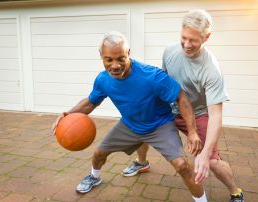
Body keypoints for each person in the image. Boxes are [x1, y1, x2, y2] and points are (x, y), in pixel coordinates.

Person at [52, 31, 208, 201]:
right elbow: (90, 102)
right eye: (108, 60)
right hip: (130, 125)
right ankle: (94, 176)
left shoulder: (151, 76)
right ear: (101, 57)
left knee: (183, 166)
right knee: (98, 153)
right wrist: (68, 114)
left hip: (159, 125)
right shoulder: (103, 80)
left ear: (128, 53)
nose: (115, 65)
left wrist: (192, 132)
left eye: (121, 58)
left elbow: (181, 97)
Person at [122, 9, 244, 202]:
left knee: (212, 161)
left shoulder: (211, 68)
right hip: (171, 109)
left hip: (199, 114)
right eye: (184, 37)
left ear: (206, 37)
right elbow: (162, 83)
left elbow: (216, 115)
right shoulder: (170, 51)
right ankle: (141, 162)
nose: (187, 45)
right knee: (144, 125)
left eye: (193, 40)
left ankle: (235, 191)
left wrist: (203, 154)